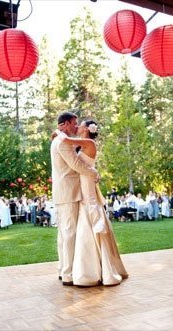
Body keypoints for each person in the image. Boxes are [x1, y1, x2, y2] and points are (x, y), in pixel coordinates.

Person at [55, 119, 128, 286]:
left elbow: (65, 139)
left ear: (87, 129)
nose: (77, 126)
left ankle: (97, 270)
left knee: (90, 214)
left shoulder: (88, 142)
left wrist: (58, 131)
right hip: (83, 184)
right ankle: (89, 268)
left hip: (87, 185)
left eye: (80, 124)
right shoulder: (82, 144)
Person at [50, 111, 99, 286]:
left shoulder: (60, 139)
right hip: (68, 193)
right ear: (65, 123)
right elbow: (76, 164)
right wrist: (93, 173)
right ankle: (68, 274)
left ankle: (63, 269)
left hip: (64, 193)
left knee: (63, 234)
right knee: (69, 233)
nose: (76, 126)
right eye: (74, 123)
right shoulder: (62, 142)